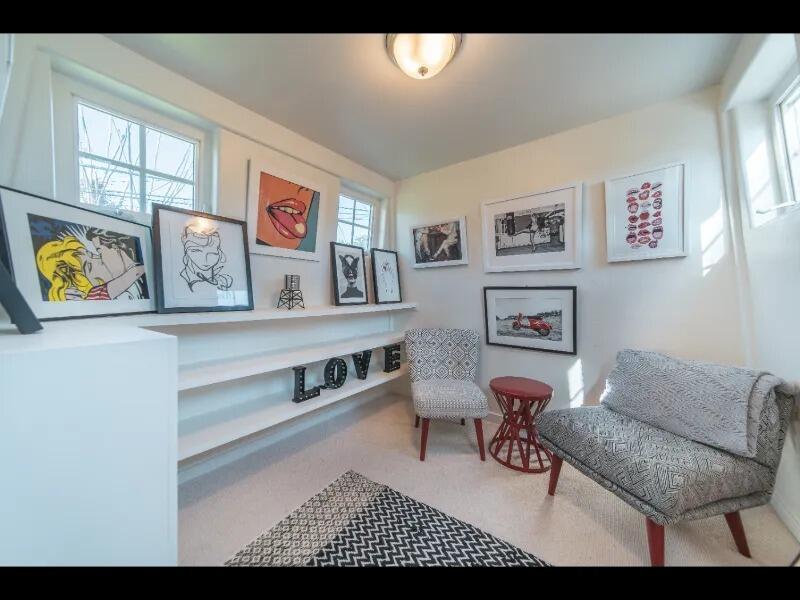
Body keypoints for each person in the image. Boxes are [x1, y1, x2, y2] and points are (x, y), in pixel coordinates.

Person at [179, 221, 233, 292]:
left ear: (219, 253)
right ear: (186, 252)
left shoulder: (224, 280)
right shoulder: (181, 280)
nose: (205, 260)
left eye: (212, 253)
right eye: (196, 251)